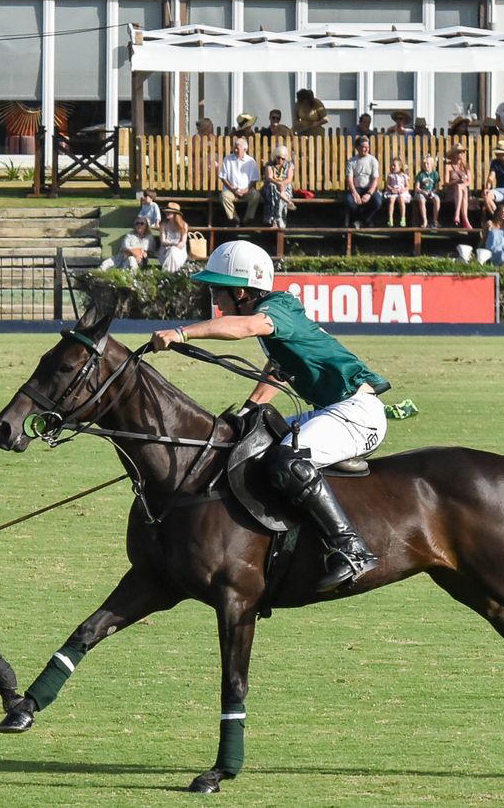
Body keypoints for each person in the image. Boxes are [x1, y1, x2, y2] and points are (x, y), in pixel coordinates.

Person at [149, 240, 387, 592]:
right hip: (334, 410)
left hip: (358, 414)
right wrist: (247, 412)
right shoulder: (275, 320)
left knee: (286, 460)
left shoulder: (276, 309)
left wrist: (182, 332)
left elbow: (245, 328)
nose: (216, 301)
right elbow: (278, 370)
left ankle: (350, 549)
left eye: (218, 291)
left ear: (241, 291)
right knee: (252, 442)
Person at [339, 136, 382, 228]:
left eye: (367, 146)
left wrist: (369, 194)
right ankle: (360, 220)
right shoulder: (351, 161)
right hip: (356, 188)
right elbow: (349, 179)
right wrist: (354, 193)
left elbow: (375, 179)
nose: (366, 148)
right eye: (363, 146)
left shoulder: (373, 160)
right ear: (357, 148)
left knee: (377, 202)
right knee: (350, 202)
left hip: (369, 188)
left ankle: (363, 220)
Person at [217, 137, 260, 226]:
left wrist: (246, 190)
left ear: (245, 149)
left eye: (238, 148)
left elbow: (254, 179)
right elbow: (223, 178)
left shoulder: (251, 161)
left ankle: (247, 219)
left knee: (256, 195)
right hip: (231, 190)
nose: (235, 150)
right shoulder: (228, 159)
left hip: (246, 190)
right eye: (234, 148)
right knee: (224, 196)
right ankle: (234, 218)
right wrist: (234, 190)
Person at [259, 144, 294, 228]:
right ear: (275, 156)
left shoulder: (289, 165)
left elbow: (289, 179)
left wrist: (282, 184)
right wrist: (278, 184)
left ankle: (276, 221)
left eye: (283, 158)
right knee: (273, 188)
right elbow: (269, 178)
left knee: (278, 193)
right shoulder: (270, 165)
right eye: (278, 157)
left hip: (285, 187)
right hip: (271, 188)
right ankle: (277, 221)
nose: (280, 160)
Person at [444, 145, 471, 229]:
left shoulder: (466, 166)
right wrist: (457, 182)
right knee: (460, 188)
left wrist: (462, 185)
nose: (461, 153)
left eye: (462, 152)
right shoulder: (448, 166)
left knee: (462, 188)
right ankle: (465, 219)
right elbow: (446, 183)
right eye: (458, 152)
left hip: (463, 190)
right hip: (451, 192)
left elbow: (469, 181)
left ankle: (457, 215)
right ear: (453, 154)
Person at [158, 202, 189, 272]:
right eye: (166, 212)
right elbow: (163, 241)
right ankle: (173, 274)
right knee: (171, 251)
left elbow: (182, 243)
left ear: (175, 214)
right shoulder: (163, 225)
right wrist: (172, 245)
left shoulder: (184, 225)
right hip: (165, 250)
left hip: (179, 250)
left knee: (172, 251)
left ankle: (167, 273)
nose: (167, 213)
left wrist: (172, 245)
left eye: (169, 212)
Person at [413, 155, 442, 228]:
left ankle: (435, 221)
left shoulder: (435, 174)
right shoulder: (420, 174)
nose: (425, 165)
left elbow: (437, 187)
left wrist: (432, 192)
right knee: (422, 200)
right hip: (421, 192)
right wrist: (423, 192)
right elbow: (417, 188)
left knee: (437, 199)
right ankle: (425, 220)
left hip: (432, 192)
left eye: (427, 163)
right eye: (424, 164)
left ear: (432, 165)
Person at [384, 157, 410, 227]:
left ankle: (403, 218)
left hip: (402, 192)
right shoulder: (390, 175)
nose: (392, 167)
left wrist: (403, 190)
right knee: (392, 200)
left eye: (394, 165)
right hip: (393, 192)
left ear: (400, 166)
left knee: (401, 199)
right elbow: (387, 185)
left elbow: (407, 186)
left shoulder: (404, 175)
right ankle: (390, 219)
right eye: (392, 165)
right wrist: (392, 189)